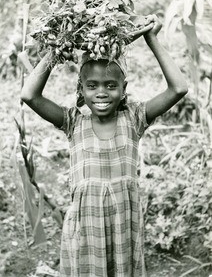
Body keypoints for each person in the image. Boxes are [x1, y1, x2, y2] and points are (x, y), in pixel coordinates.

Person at [21, 14, 188, 277]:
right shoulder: (72, 122)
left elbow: (178, 88)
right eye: (92, 86)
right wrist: (58, 47)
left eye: (111, 85)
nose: (101, 93)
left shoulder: (134, 118)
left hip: (124, 229)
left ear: (124, 89)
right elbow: (29, 95)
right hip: (86, 233)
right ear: (81, 89)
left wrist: (150, 38)